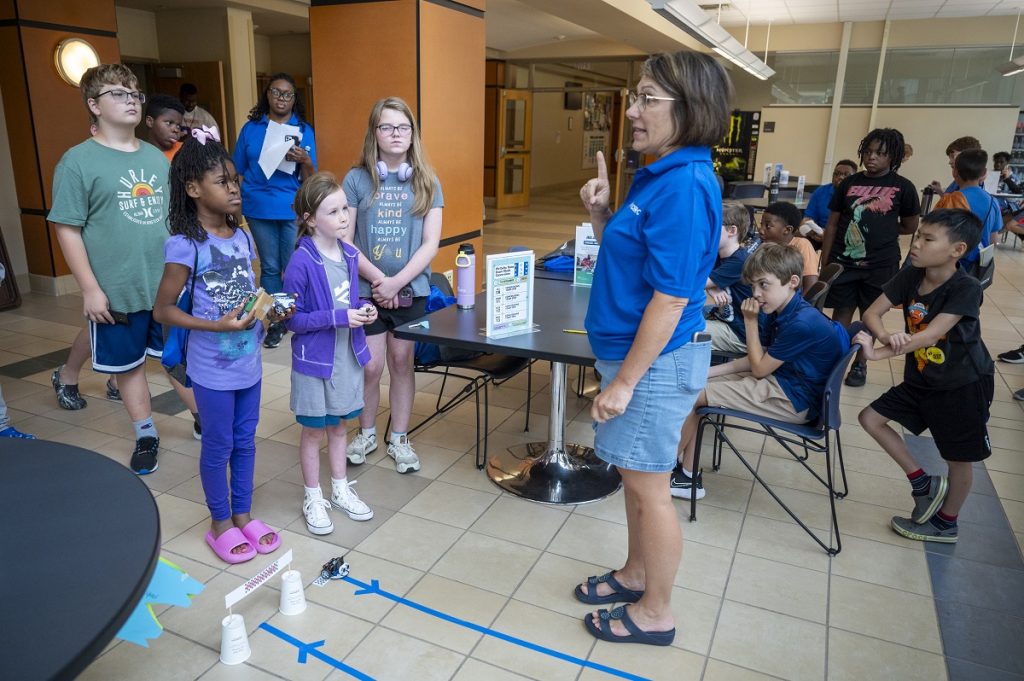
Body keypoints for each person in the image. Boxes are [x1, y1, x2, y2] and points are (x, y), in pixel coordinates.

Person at [573, 50, 729, 647]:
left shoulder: (685, 185)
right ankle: (637, 574)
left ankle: (656, 612)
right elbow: (635, 258)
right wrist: (601, 212)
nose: (632, 111)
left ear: (688, 110)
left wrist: (623, 383)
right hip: (640, 359)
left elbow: (668, 299)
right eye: (635, 97)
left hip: (655, 365)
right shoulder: (659, 171)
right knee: (638, 480)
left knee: (650, 487)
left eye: (646, 100)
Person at [153, 129, 289, 564]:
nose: (234, 187)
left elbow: (246, 294)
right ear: (193, 189)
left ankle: (243, 515)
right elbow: (163, 311)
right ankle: (219, 523)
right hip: (211, 368)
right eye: (222, 181)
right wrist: (214, 325)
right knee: (219, 445)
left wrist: (268, 312)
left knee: (246, 441)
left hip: (248, 362)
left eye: (235, 179)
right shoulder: (186, 245)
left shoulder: (243, 237)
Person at [48, 64, 169, 473]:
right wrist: (89, 288)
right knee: (130, 366)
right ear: (94, 106)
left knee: (173, 357)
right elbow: (67, 228)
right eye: (118, 93)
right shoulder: (77, 161)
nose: (131, 99)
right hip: (116, 288)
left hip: (163, 285)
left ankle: (204, 418)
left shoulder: (155, 157)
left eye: (135, 93)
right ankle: (146, 433)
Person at [853, 209, 994, 544]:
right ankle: (922, 483)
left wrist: (878, 353)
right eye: (918, 236)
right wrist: (887, 337)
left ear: (957, 250)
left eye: (927, 239)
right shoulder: (911, 275)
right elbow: (873, 312)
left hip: (962, 384)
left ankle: (947, 524)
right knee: (871, 418)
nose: (916, 244)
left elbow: (930, 335)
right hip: (922, 377)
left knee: (958, 459)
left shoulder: (966, 288)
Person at [672, 244, 848, 500]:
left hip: (793, 399)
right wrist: (705, 373)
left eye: (764, 285)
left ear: (792, 282)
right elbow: (755, 361)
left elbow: (758, 368)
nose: (755, 293)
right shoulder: (782, 310)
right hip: (782, 383)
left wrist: (751, 322)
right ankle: (686, 474)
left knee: (696, 396)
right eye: (753, 286)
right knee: (696, 387)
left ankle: (660, 472)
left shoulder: (802, 323)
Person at [342, 97, 443, 474]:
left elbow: (431, 243)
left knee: (402, 363)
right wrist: (379, 281)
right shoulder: (355, 179)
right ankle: (366, 432)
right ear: (375, 133)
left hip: (410, 291)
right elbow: (345, 239)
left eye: (403, 127)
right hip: (368, 290)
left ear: (412, 133)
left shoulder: (427, 180)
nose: (396, 134)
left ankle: (399, 437)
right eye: (387, 127)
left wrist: (398, 282)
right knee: (370, 366)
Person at [284, 172, 375, 534]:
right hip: (313, 362)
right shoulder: (301, 262)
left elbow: (350, 300)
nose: (344, 217)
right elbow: (293, 320)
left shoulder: (351, 254)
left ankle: (339, 489)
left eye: (344, 210)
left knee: (339, 427)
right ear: (309, 220)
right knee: (313, 433)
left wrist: (365, 308)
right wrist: (339, 317)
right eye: (333, 211)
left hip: (345, 359)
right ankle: (313, 495)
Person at [821, 128, 920, 387]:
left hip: (881, 265)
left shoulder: (903, 187)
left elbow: (910, 225)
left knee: (870, 315)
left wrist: (883, 229)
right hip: (843, 262)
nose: (872, 157)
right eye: (868, 151)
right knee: (841, 312)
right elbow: (832, 224)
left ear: (893, 157)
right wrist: (826, 260)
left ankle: (860, 364)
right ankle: (834, 359)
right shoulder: (849, 183)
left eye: (880, 153)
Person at [233, 73, 317, 349]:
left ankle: (293, 314)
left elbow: (311, 177)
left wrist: (304, 159)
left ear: (295, 99)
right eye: (276, 93)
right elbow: (238, 170)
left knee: (290, 266)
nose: (281, 98)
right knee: (269, 267)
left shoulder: (303, 129)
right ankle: (275, 321)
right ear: (267, 95)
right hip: (257, 206)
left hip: (291, 207)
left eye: (288, 94)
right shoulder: (251, 129)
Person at [932, 149, 1002, 272]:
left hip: (949, 264)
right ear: (984, 173)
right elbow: (993, 241)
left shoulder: (948, 201)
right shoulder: (993, 202)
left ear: (955, 172)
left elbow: (933, 235)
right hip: (976, 265)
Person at [704, 201, 753, 354]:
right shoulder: (720, 253)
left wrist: (710, 286)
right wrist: (713, 289)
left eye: (713, 225)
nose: (707, 230)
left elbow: (694, 283)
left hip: (741, 332)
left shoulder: (738, 261)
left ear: (732, 230)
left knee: (682, 330)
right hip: (726, 317)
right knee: (682, 316)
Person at [759, 202, 818, 294]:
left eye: (768, 226)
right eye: (761, 224)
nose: (761, 230)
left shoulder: (802, 245)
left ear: (787, 230)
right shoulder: (765, 246)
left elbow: (811, 286)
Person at [801, 159, 857, 243]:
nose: (840, 177)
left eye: (846, 175)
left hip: (844, 238)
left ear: (854, 178)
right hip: (819, 234)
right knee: (799, 236)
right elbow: (808, 218)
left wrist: (829, 235)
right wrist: (811, 232)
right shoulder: (821, 191)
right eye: (836, 174)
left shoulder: (857, 196)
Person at [992, 151, 1024, 238]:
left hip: (1009, 207)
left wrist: (1007, 179)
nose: (998, 165)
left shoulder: (1013, 177)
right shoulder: (991, 176)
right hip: (995, 204)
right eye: (996, 162)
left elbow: (1018, 192)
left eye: (1001, 162)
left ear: (1007, 164)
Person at [145, 94, 185, 161]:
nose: (176, 130)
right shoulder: (140, 155)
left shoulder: (185, 151)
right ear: (150, 122)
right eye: (169, 123)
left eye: (178, 126)